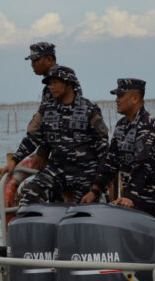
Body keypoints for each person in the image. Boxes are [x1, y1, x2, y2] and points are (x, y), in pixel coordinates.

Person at [17, 65, 109, 205]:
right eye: (49, 83)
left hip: (85, 172)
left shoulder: (89, 108)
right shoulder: (47, 109)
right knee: (29, 194)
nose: (51, 87)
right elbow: (33, 138)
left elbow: (103, 147)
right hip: (57, 171)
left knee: (86, 210)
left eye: (55, 83)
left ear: (68, 84)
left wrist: (101, 182)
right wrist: (15, 160)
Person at [81, 78, 155, 217]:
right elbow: (111, 162)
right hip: (131, 198)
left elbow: (142, 165)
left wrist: (130, 197)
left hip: (150, 198)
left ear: (134, 98)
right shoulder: (121, 125)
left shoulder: (147, 125)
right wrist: (94, 190)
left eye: (120, 96)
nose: (116, 100)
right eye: (116, 96)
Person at [0, 42, 56, 177]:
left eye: (36, 60)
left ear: (49, 59)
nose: (32, 64)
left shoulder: (61, 87)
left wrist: (42, 151)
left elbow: (43, 127)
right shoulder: (50, 87)